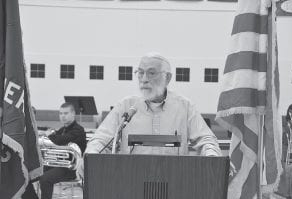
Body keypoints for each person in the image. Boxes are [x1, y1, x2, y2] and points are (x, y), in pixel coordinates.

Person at [77, 52, 221, 178]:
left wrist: (213, 157)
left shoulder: (185, 107)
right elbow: (101, 140)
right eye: (140, 72)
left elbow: (206, 139)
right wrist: (90, 155)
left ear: (168, 77)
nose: (144, 78)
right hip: (131, 182)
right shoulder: (126, 106)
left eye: (151, 73)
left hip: (175, 182)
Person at [39, 102, 86, 199]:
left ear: (73, 114)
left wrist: (50, 135)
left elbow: (59, 140)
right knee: (34, 171)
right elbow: (56, 138)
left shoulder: (78, 130)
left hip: (72, 168)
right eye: (60, 113)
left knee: (45, 178)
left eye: (66, 113)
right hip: (59, 164)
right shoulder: (63, 129)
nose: (63, 116)